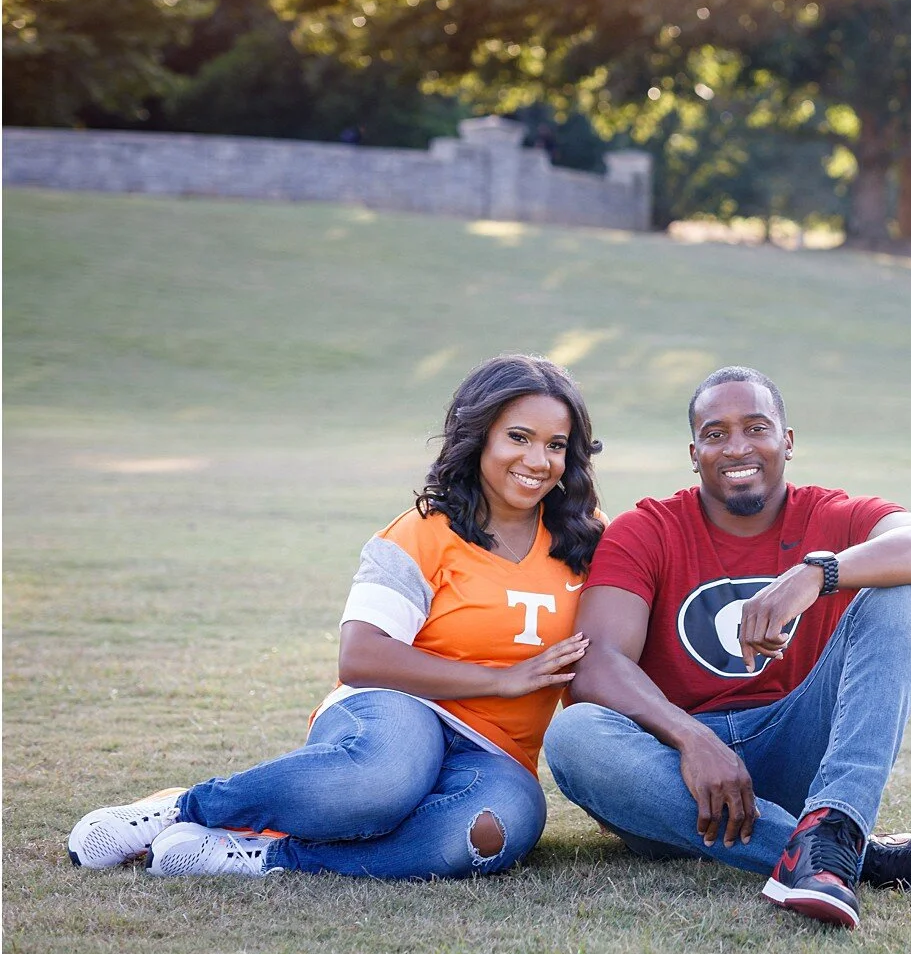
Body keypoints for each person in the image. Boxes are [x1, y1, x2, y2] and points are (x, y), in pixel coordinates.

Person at [67, 355, 603, 880]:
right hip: (400, 709)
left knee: (484, 835)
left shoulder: (588, 538)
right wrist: (500, 680)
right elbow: (361, 655)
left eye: (555, 445)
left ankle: (256, 856)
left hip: (498, 752)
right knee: (383, 782)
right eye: (519, 437)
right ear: (479, 435)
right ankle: (181, 809)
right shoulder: (419, 534)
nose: (538, 460)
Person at [543, 365, 911, 930]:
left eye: (756, 427)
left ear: (787, 442)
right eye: (716, 433)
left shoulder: (829, 516)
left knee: (899, 599)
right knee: (574, 736)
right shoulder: (646, 529)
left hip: (791, 746)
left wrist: (817, 573)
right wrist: (693, 738)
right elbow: (595, 665)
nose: (737, 447)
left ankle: (832, 827)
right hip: (676, 775)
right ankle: (848, 857)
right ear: (694, 451)